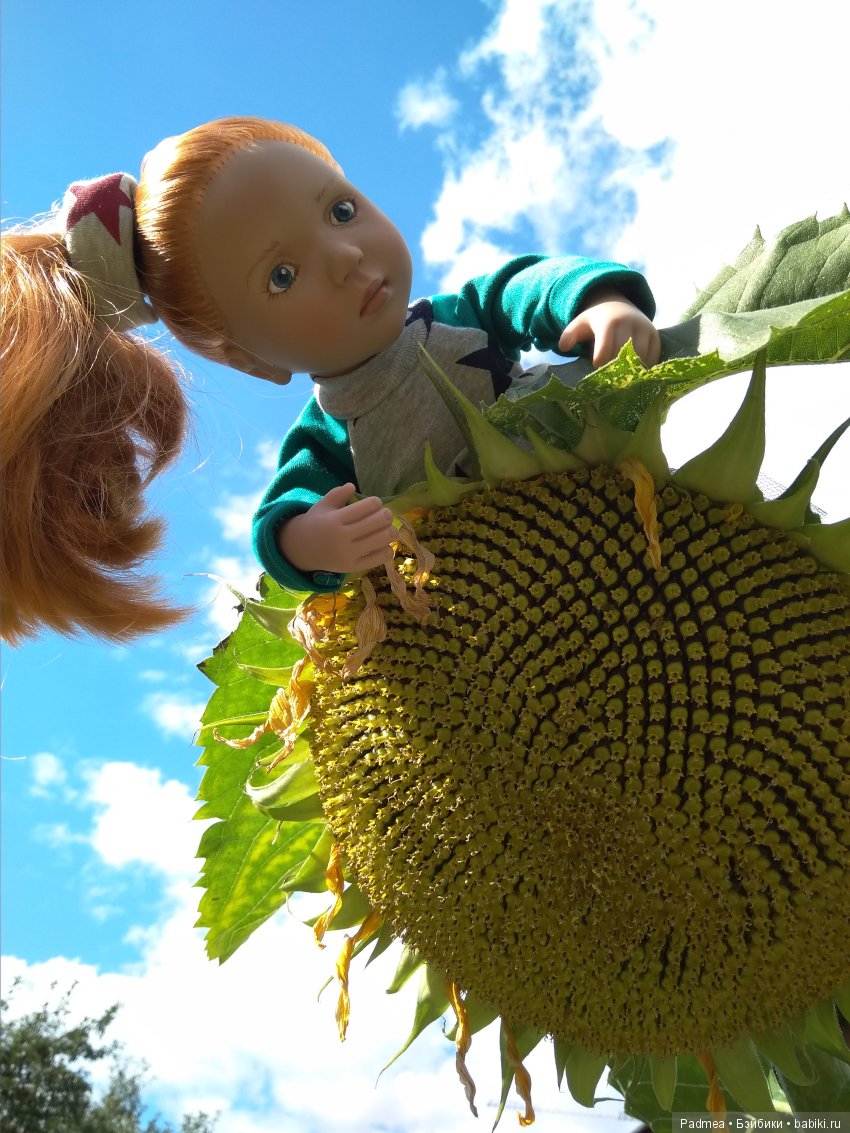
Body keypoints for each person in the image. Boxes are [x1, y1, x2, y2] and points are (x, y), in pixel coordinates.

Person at [0, 116, 659, 642]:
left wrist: (597, 301)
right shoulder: (330, 431)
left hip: (614, 498)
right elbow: (280, 517)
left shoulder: (457, 315)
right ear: (250, 360)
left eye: (341, 211)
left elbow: (526, 286)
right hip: (464, 600)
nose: (345, 256)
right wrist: (311, 541)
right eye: (282, 276)